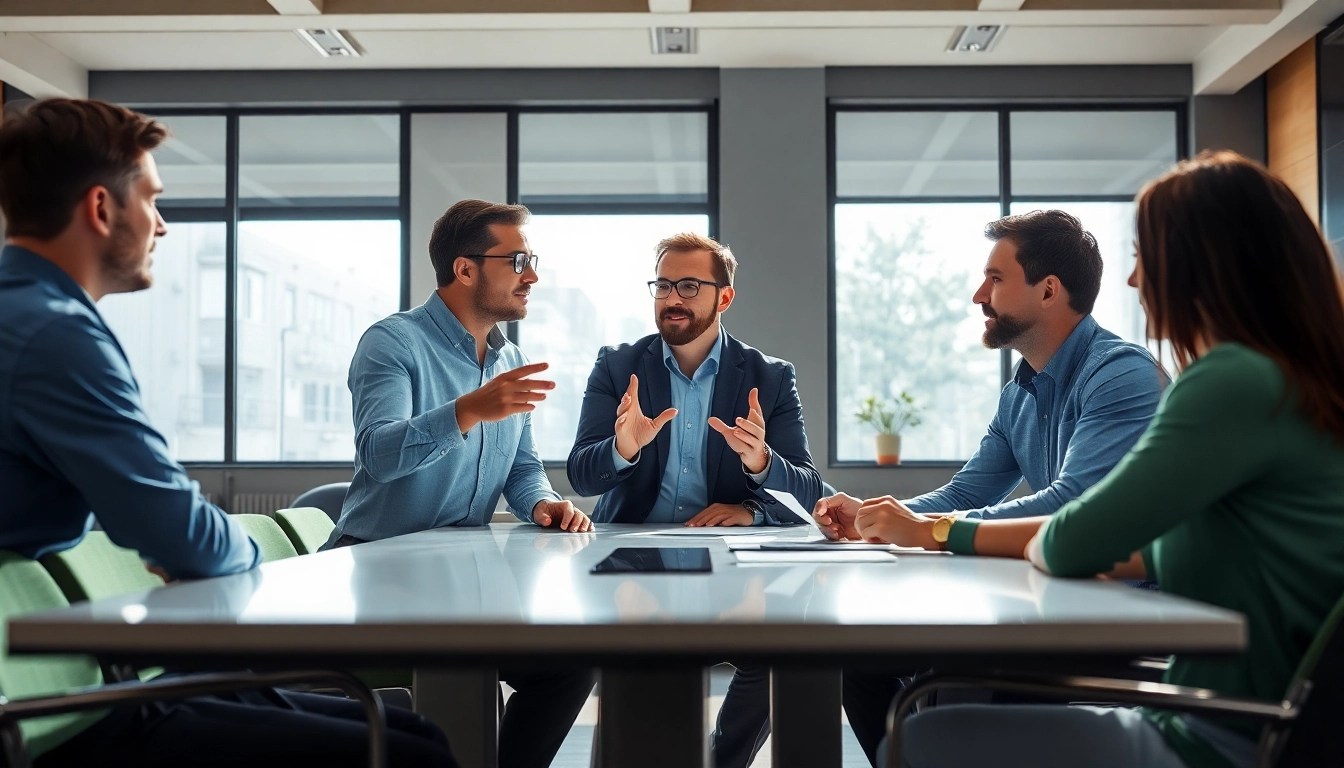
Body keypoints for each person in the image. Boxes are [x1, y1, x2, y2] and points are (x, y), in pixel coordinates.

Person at [0, 98, 455, 766]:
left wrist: (181, 540)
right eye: (151, 199)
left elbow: (163, 522)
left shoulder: (31, 314)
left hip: (84, 684)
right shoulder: (54, 334)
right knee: (415, 752)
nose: (161, 223)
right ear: (101, 209)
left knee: (415, 734)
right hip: (64, 716)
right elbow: (184, 535)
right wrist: (212, 551)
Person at [853, 151, 1344, 768]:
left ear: (1204, 265)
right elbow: (1148, 542)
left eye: (1146, 256)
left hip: (1215, 735)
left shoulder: (1224, 381)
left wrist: (937, 532)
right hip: (1246, 718)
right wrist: (888, 516)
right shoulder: (1293, 382)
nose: (1135, 281)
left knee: (918, 736)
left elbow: (1074, 534)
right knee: (920, 685)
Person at [814, 209, 1167, 764]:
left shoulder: (1121, 374)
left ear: (1049, 290)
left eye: (995, 279)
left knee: (952, 676)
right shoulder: (1018, 392)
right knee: (863, 657)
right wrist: (877, 514)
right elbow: (965, 493)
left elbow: (1073, 504)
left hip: (1113, 611)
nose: (979, 294)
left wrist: (927, 531)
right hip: (1047, 594)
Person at [328, 198, 594, 768]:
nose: (534, 275)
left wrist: (544, 503)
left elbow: (522, 467)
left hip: (459, 581)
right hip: (380, 573)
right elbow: (378, 454)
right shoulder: (392, 342)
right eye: (518, 260)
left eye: (533, 259)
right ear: (465, 268)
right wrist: (466, 410)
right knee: (475, 678)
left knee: (570, 664)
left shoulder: (509, 357)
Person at [567, 233, 824, 768]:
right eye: (662, 285)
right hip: (631, 563)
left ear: (723, 298)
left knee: (782, 648)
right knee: (641, 686)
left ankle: (722, 761)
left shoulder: (769, 377)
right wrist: (623, 447)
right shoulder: (618, 366)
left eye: (688, 285)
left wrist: (758, 477)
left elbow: (808, 491)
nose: (671, 298)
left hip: (728, 568)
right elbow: (581, 475)